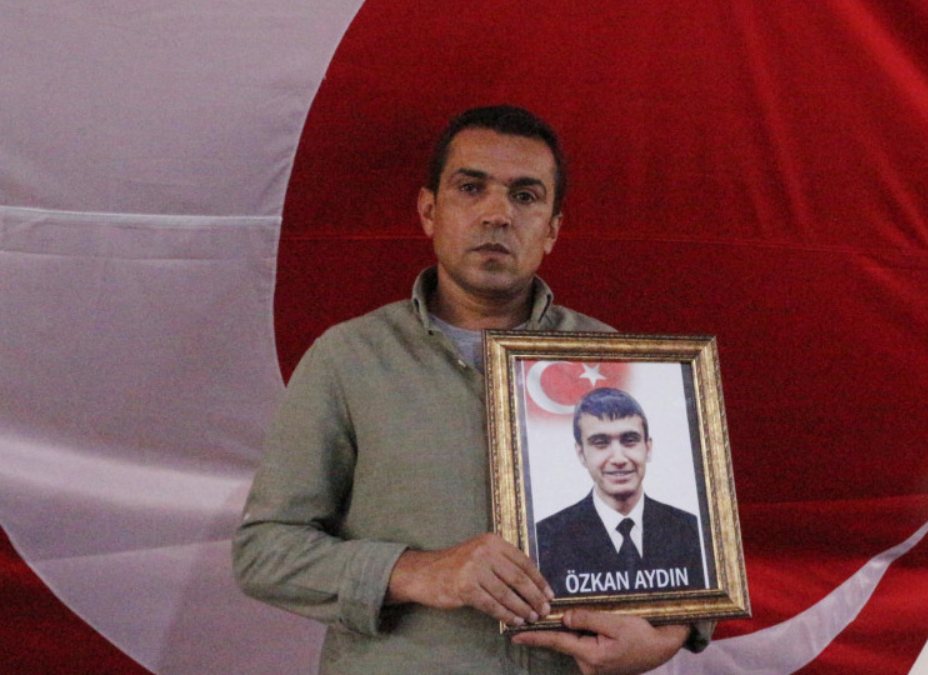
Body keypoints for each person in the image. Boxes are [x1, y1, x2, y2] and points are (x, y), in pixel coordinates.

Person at [232, 105, 710, 674]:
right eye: (471, 188)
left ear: (552, 229)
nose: (497, 214)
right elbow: (264, 551)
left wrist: (672, 633)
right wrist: (419, 572)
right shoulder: (350, 359)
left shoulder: (618, 362)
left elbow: (688, 553)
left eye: (525, 196)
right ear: (429, 211)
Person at [536, 387, 706, 597]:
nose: (618, 458)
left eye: (629, 440)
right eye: (601, 443)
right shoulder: (546, 539)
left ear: (648, 448)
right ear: (581, 454)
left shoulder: (692, 531)